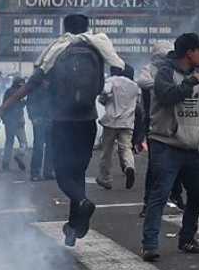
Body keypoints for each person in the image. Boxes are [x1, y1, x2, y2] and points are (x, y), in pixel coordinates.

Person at [15, 13, 125, 247]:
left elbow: (33, 83)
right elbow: (110, 79)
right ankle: (74, 227)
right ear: (87, 28)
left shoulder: (57, 50)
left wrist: (4, 106)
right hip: (87, 121)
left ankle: (82, 204)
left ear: (65, 28)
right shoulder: (98, 50)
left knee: (63, 174)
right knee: (78, 173)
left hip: (63, 121)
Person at [141, 33, 199, 261]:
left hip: (189, 146)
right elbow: (166, 96)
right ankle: (150, 245)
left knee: (197, 193)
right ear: (189, 53)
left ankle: (187, 238)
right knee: (160, 195)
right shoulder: (165, 72)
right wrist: (188, 83)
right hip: (165, 144)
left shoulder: (195, 76)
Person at [135, 41, 184, 216]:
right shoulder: (149, 70)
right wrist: (164, 85)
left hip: (175, 122)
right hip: (154, 123)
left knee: (179, 162)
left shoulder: (176, 71)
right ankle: (148, 203)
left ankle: (177, 197)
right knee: (155, 166)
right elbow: (142, 82)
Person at [95, 64, 141, 190]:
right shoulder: (134, 85)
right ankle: (129, 167)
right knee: (126, 148)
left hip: (111, 122)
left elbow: (104, 93)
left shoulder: (111, 81)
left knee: (107, 151)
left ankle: (105, 178)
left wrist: (104, 99)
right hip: (127, 122)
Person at [27, 78, 55, 181]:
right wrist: (33, 117)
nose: (47, 82)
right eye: (46, 80)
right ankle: (35, 173)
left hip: (50, 120)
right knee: (38, 147)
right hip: (39, 121)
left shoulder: (52, 90)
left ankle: (48, 172)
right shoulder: (35, 91)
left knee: (50, 148)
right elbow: (30, 104)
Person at [1, 76, 29, 171]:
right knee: (23, 143)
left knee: (9, 142)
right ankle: (18, 155)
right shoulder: (18, 93)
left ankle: (5, 164)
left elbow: (4, 105)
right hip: (16, 120)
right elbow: (17, 105)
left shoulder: (8, 92)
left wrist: (4, 119)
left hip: (10, 120)